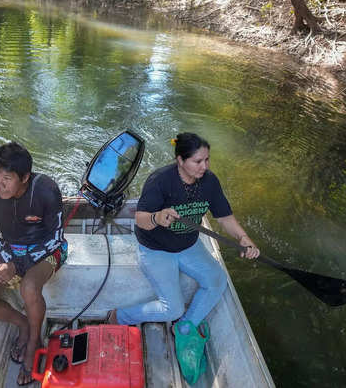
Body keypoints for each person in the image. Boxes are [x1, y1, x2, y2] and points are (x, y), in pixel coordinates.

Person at [107, 132, 259, 381]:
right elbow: (140, 219)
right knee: (171, 307)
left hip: (188, 245)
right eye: (198, 161)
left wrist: (244, 238)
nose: (205, 166)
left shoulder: (209, 182)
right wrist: (157, 217)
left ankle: (185, 326)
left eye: (207, 160)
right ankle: (119, 316)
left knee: (217, 281)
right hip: (155, 249)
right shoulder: (160, 181)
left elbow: (224, 217)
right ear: (180, 160)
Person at [0, 142, 68, 386]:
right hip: (9, 249)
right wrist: (7, 259)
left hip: (48, 250)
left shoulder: (46, 190)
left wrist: (17, 264)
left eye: (6, 178)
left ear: (25, 177)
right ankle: (23, 323)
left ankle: (34, 341)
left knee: (29, 288)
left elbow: (55, 238)